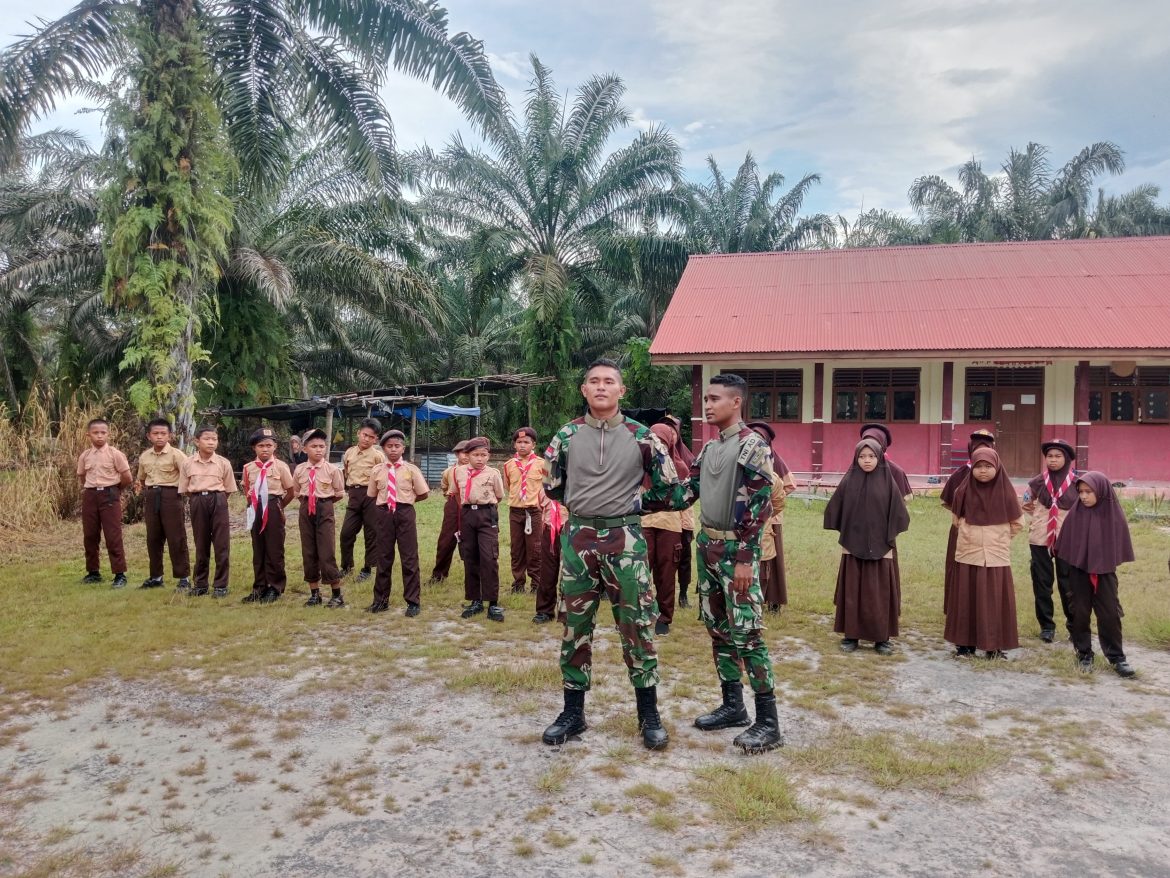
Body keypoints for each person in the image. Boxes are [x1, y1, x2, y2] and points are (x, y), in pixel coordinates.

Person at [540, 358, 686, 751]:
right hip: (579, 539)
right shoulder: (567, 436)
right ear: (584, 390)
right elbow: (553, 486)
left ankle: (648, 715)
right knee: (574, 626)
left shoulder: (642, 437)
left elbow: (668, 488)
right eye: (594, 381)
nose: (601, 387)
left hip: (626, 540)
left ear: (622, 391)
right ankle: (573, 713)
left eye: (609, 381)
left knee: (636, 626)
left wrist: (631, 506)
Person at [688, 374, 783, 754]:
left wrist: (745, 558)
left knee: (747, 633)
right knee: (719, 630)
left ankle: (768, 723)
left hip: (734, 552)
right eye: (706, 399)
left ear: (736, 402)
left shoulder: (752, 445)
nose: (707, 405)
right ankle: (733, 706)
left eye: (715, 399)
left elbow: (760, 506)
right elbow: (686, 491)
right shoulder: (711, 448)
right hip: (707, 546)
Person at [824, 438, 910, 655]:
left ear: (879, 457)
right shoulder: (848, 481)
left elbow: (899, 512)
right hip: (853, 545)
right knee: (853, 590)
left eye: (871, 456)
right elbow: (836, 507)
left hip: (882, 545)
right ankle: (851, 635)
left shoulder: (888, 482)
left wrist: (888, 535)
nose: (867, 460)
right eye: (862, 456)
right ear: (856, 458)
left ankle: (882, 638)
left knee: (879, 592)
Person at [1055, 472, 1137, 678]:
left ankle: (1117, 657)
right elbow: (1065, 543)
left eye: (1088, 492)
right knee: (1080, 612)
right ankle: (1084, 654)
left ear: (1101, 491)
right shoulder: (1075, 514)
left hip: (1104, 572)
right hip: (1079, 571)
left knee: (1110, 613)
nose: (1083, 496)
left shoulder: (1113, 514)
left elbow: (1118, 543)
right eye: (1080, 492)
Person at [944, 447, 1023, 659]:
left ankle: (993, 646)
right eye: (978, 466)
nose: (983, 471)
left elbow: (1017, 523)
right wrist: (971, 533)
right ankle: (964, 645)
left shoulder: (1006, 493)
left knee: (994, 600)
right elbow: (956, 520)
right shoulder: (963, 491)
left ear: (997, 467)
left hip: (995, 556)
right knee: (966, 598)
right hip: (968, 554)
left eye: (988, 466)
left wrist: (997, 537)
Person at [366, 430, 430, 617]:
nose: (393, 449)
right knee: (383, 557)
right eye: (389, 446)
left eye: (397, 446)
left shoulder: (411, 470)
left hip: (405, 512)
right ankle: (380, 601)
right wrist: (388, 505)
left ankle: (413, 602)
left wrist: (406, 501)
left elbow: (423, 493)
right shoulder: (377, 470)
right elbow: (372, 494)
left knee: (409, 558)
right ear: (383, 449)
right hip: (384, 513)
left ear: (403, 448)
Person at [1022, 439, 1077, 643]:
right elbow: (1026, 503)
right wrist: (1040, 517)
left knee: (1068, 583)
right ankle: (1046, 626)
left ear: (1067, 459)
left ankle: (1074, 626)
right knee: (1042, 583)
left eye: (1058, 456)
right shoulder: (1037, 482)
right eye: (1050, 456)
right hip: (1040, 539)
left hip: (1067, 539)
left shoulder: (1077, 483)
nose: (1053, 460)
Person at [940, 430, 997, 616]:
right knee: (958, 569)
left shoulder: (997, 476)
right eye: (977, 449)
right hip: (962, 530)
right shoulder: (960, 474)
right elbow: (948, 502)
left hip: (990, 534)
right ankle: (956, 607)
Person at [178, 426, 237, 597]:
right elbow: (185, 489)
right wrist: (200, 498)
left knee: (221, 544)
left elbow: (228, 489)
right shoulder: (188, 463)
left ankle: (221, 585)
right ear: (197, 441)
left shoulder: (223, 463)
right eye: (207, 439)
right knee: (201, 543)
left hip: (219, 500)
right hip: (197, 500)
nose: (211, 442)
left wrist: (217, 499)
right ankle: (200, 584)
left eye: (214, 439)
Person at [451, 436, 506, 621]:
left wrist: (484, 508)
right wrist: (467, 509)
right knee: (470, 557)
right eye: (476, 455)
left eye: (484, 455)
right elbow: (456, 494)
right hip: (467, 514)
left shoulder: (493, 473)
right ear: (467, 455)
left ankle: (493, 603)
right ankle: (476, 600)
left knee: (489, 557)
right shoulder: (458, 472)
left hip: (486, 514)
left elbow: (499, 496)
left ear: (488, 456)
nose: (480, 459)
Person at [240, 427, 296, 604]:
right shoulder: (248, 468)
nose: (265, 449)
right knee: (258, 548)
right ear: (254, 448)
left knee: (274, 548)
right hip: (256, 508)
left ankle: (275, 587)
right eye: (261, 446)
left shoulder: (281, 466)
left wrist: (279, 506)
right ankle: (259, 587)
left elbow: (291, 491)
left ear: (275, 447)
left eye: (269, 445)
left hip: (273, 506)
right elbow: (246, 489)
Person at [643, 421, 689, 636]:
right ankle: (640, 614)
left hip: (670, 525)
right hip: (644, 523)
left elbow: (686, 499)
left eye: (663, 441)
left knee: (666, 573)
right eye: (655, 440)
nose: (658, 446)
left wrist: (688, 527)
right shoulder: (639, 466)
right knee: (639, 572)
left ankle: (664, 617)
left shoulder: (680, 467)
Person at [77, 418, 133, 588]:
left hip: (110, 494)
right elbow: (82, 476)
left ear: (108, 434)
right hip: (90, 495)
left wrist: (115, 490)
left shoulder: (115, 454)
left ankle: (119, 574)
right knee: (90, 535)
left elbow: (127, 477)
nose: (99, 436)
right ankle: (93, 572)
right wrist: (92, 489)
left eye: (103, 432)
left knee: (113, 535)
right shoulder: (85, 456)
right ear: (88, 435)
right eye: (95, 433)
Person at [747, 421, 796, 613]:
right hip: (746, 521)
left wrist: (769, 504)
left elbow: (789, 485)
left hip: (771, 520)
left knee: (771, 560)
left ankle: (774, 600)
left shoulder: (776, 461)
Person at [294, 428, 346, 608]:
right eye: (314, 446)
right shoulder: (300, 469)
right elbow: (297, 491)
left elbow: (339, 493)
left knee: (327, 551)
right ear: (304, 448)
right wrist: (309, 503)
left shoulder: (332, 470)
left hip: (325, 508)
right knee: (308, 551)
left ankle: (337, 595)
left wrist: (323, 503)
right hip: (305, 509)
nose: (318, 450)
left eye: (322, 446)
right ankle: (314, 594)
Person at [135, 418, 189, 590]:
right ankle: (156, 577)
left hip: (171, 496)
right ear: (148, 436)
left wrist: (183, 494)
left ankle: (183, 578)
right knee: (153, 538)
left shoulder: (176, 455)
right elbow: (141, 478)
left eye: (163, 433)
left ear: (170, 436)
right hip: (152, 495)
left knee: (176, 537)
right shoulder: (145, 456)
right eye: (155, 433)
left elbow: (188, 475)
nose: (159, 437)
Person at [339, 417, 385, 581]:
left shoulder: (378, 456)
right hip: (354, 495)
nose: (367, 439)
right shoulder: (349, 453)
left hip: (371, 497)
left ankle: (367, 568)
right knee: (346, 533)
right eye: (365, 435)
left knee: (371, 532)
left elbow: (383, 477)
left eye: (371, 437)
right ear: (358, 433)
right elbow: (346, 472)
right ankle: (346, 566)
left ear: (376, 439)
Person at [503, 427, 545, 595]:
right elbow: (508, 486)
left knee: (535, 548)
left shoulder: (542, 464)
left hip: (534, 512)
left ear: (533, 444)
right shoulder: (508, 465)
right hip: (515, 511)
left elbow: (548, 487)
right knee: (517, 549)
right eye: (519, 442)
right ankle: (518, 583)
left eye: (526, 442)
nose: (522, 445)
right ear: (514, 445)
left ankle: (537, 584)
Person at [663, 414, 696, 610]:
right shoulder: (652, 457)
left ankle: (683, 593)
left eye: (673, 432)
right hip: (659, 520)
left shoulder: (687, 460)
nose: (670, 436)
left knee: (684, 558)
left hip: (683, 519)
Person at [427, 440, 469, 584]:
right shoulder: (448, 472)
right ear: (457, 454)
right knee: (445, 540)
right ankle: (438, 575)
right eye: (463, 453)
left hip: (471, 505)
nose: (466, 456)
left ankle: (474, 577)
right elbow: (445, 487)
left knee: (471, 540)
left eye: (469, 452)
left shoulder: (476, 471)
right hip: (453, 505)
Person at [531, 490, 565, 624]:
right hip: (549, 532)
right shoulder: (543, 489)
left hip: (568, 531)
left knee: (570, 573)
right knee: (547, 572)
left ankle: (568, 612)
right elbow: (540, 507)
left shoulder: (573, 486)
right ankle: (545, 611)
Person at [859, 423, 913, 498]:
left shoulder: (896, 473)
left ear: (883, 446)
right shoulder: (854, 470)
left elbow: (901, 502)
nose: (870, 447)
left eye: (875, 444)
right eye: (866, 443)